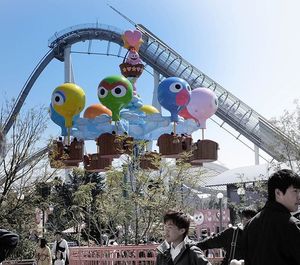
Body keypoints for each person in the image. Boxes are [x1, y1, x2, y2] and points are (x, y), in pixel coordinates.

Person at [243, 169, 300, 265]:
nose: (299, 196)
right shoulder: (291, 225)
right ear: (278, 193)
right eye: (295, 191)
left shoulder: (250, 225)